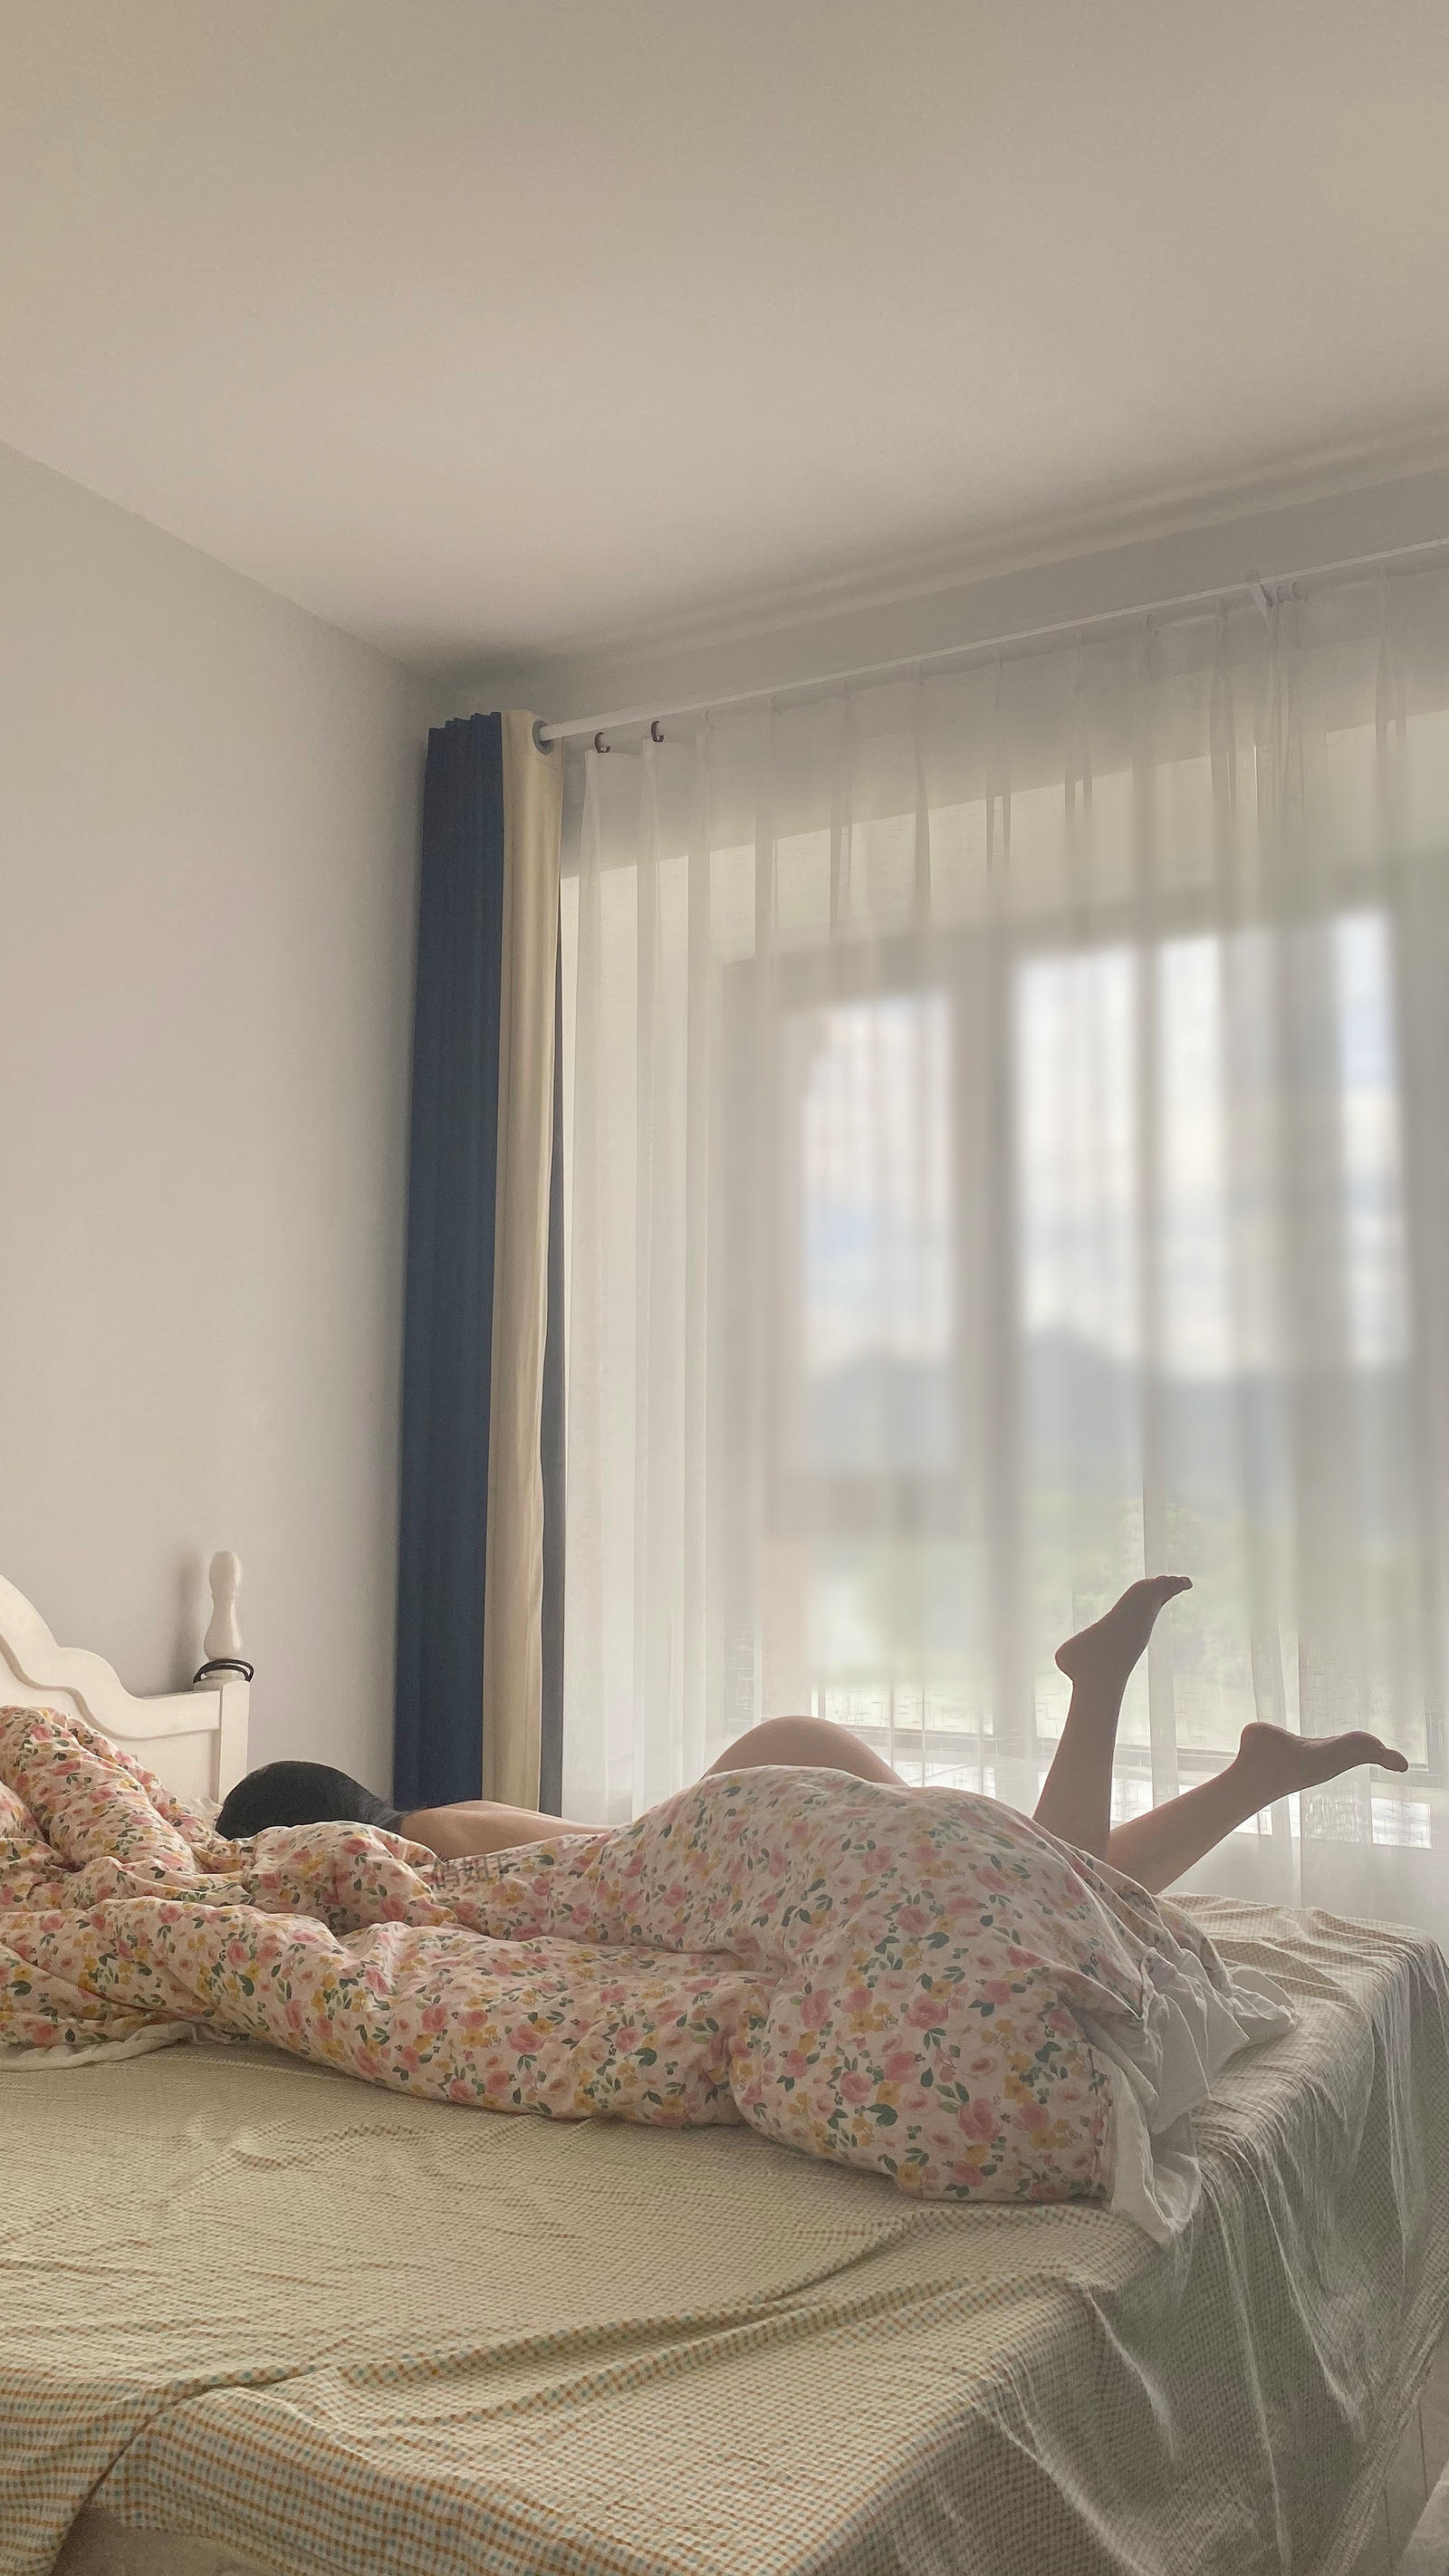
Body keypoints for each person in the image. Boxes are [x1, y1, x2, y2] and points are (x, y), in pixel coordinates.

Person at [216, 1577, 1406, 1894]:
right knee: (1033, 1884)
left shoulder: (421, 1856)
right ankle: (1249, 1781)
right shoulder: (439, 1822)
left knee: (1028, 1890)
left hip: (720, 1831)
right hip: (742, 1804)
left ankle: (1096, 1693)